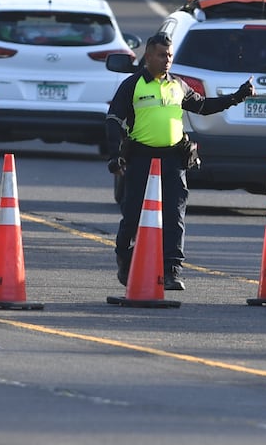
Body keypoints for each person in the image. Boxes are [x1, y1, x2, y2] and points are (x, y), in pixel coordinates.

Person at [105, 32, 254, 290]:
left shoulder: (178, 86)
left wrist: (237, 96)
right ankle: (125, 259)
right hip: (141, 156)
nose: (167, 60)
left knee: (174, 214)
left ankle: (171, 271)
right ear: (148, 55)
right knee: (132, 214)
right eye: (162, 55)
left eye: (170, 55)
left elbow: (204, 106)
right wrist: (115, 155)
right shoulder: (132, 85)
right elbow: (113, 121)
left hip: (173, 157)